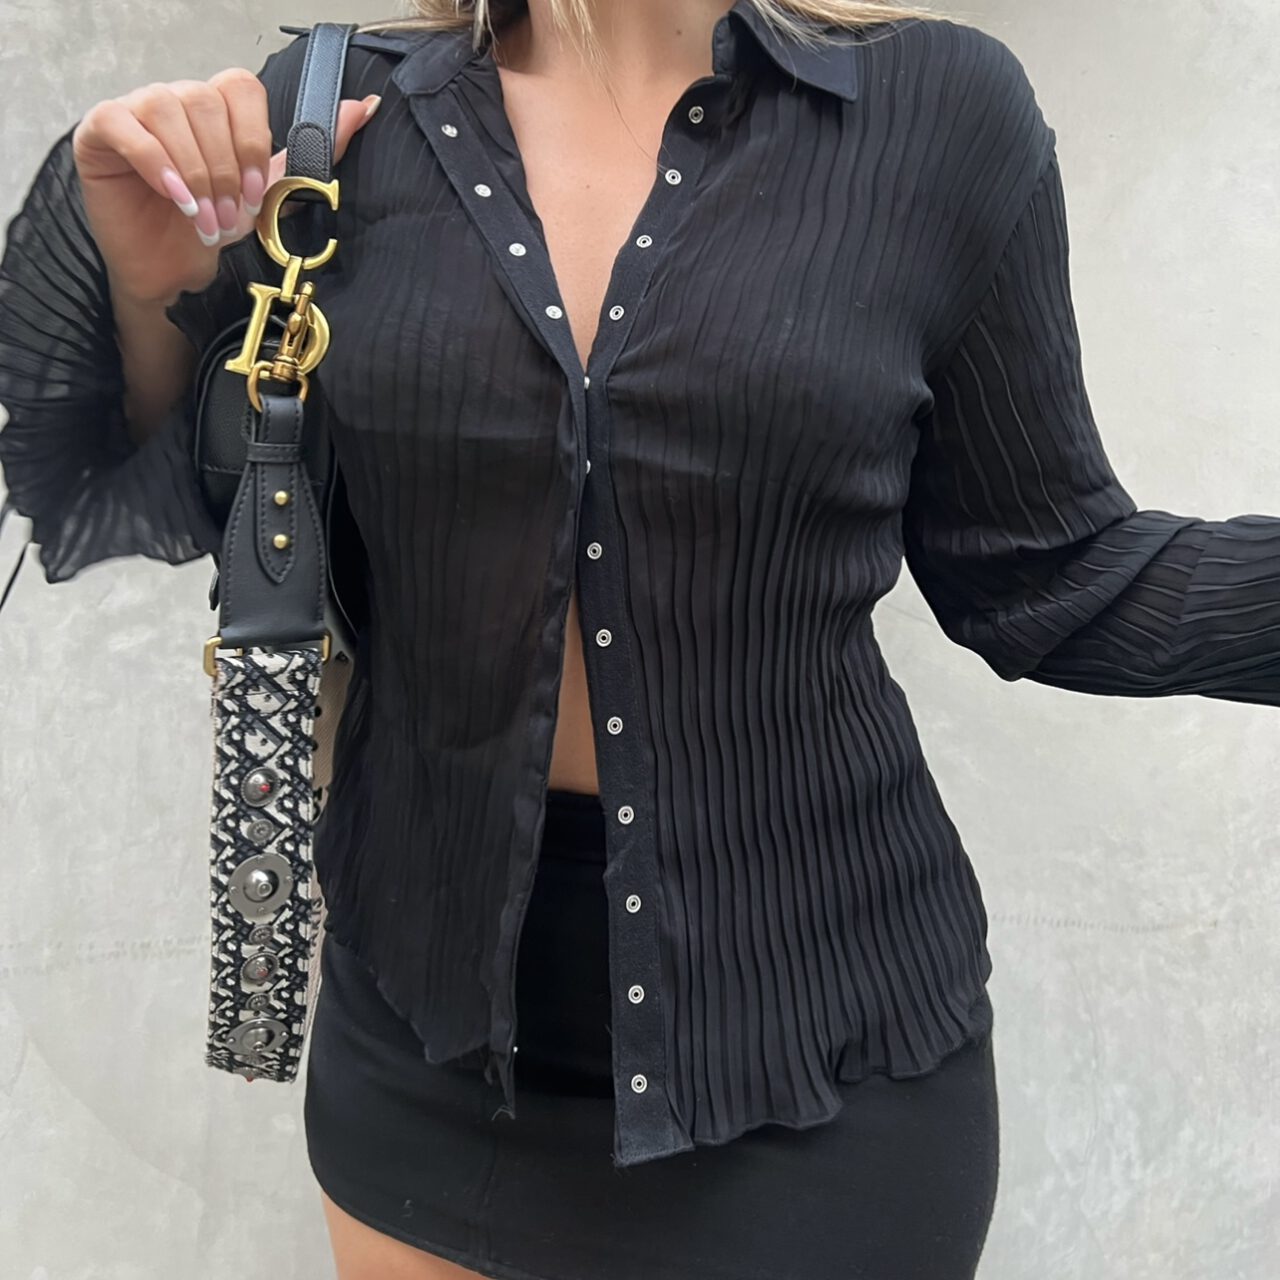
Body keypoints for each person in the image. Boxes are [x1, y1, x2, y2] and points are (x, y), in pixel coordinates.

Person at [2, 1, 1279, 1278]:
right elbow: (151, 491)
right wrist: (145, 277)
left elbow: (1048, 572)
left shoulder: (938, 114)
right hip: (425, 1048)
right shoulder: (334, 117)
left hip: (817, 1060)